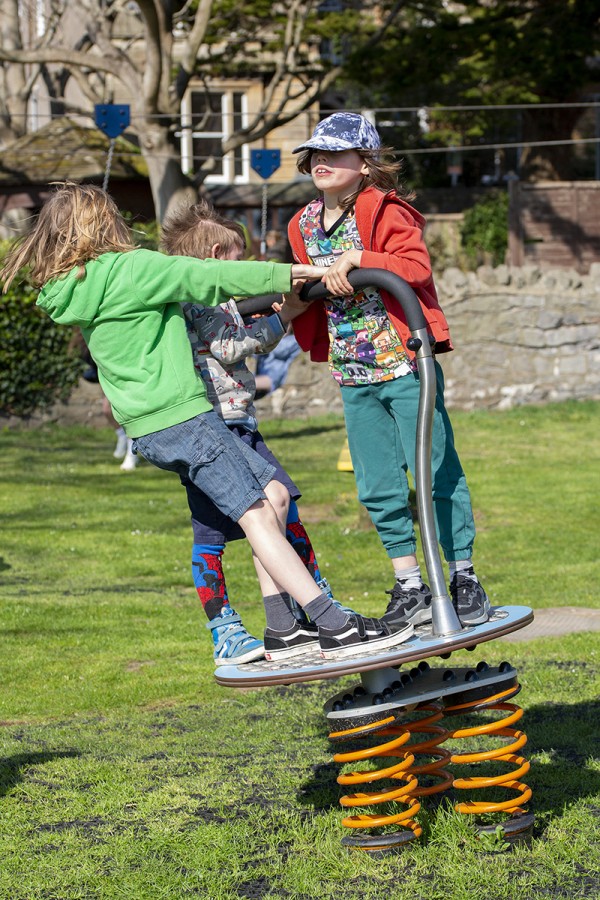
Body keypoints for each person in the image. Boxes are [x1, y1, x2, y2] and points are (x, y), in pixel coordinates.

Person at [0, 182, 413, 662]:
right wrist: (307, 271)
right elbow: (210, 276)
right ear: (103, 222)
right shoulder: (133, 269)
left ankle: (283, 628)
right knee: (258, 512)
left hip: (147, 429)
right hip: (185, 418)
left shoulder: (74, 286)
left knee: (274, 496)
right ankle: (333, 623)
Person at [284, 112, 490, 629]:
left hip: (403, 360)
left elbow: (415, 267)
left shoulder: (384, 209)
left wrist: (359, 255)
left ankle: (463, 576)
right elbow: (306, 286)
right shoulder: (302, 223)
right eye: (317, 154)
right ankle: (409, 583)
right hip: (353, 369)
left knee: (433, 467)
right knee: (376, 481)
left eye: (336, 153)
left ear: (366, 163)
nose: (322, 162)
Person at [160, 200, 352, 664]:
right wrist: (284, 317)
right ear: (213, 255)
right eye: (238, 258)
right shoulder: (200, 299)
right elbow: (229, 346)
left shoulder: (216, 298)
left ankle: (287, 616)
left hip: (239, 420)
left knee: (278, 506)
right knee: (215, 532)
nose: (244, 268)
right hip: (212, 429)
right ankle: (226, 628)